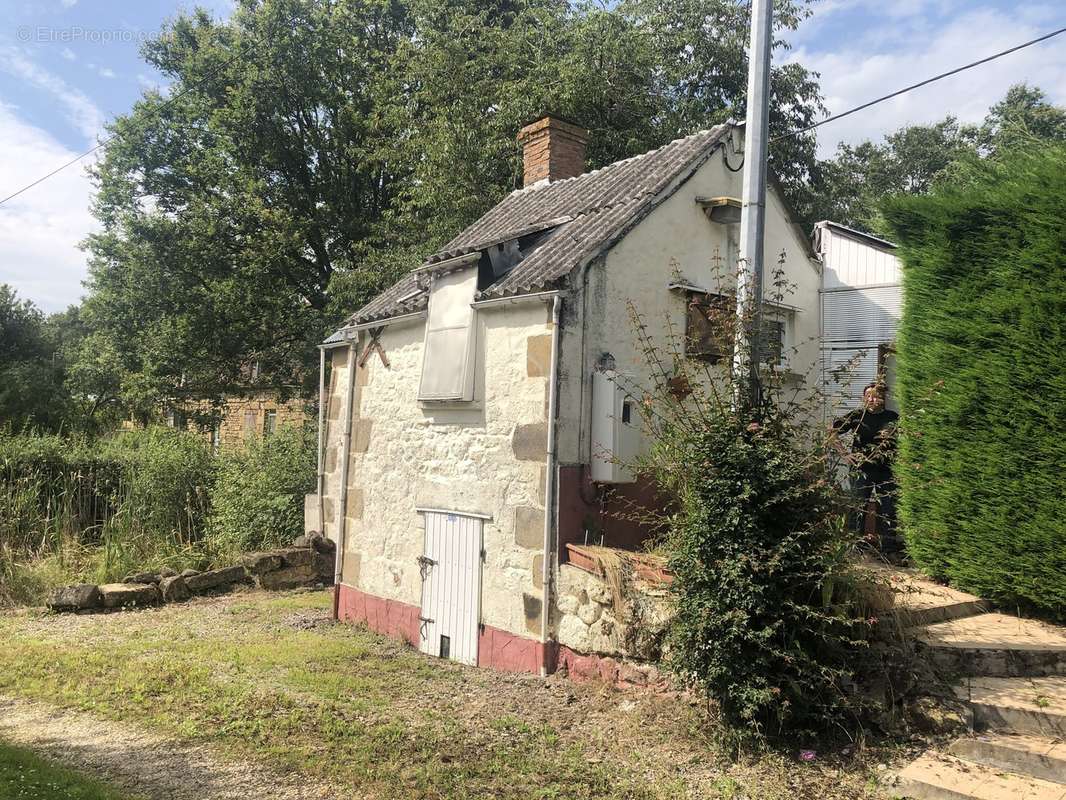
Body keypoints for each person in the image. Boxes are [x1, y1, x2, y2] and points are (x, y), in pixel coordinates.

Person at [831, 382, 902, 556]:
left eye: (876, 395)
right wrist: (845, 454)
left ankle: (889, 548)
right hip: (861, 469)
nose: (872, 399)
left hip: (886, 469)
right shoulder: (857, 416)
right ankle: (856, 546)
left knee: (889, 507)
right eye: (868, 396)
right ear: (864, 398)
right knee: (859, 507)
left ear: (883, 398)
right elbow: (831, 432)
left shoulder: (892, 416)